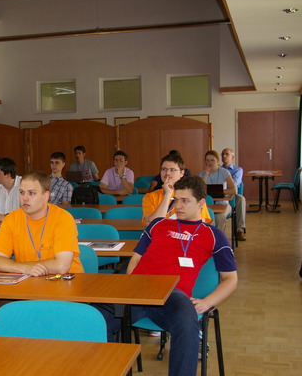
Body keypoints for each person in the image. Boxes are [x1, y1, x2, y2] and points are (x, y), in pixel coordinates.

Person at [97, 176, 238, 376]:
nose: (178, 205)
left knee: (189, 331)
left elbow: (231, 279)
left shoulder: (213, 234)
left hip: (173, 296)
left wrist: (207, 302)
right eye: (176, 199)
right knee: (94, 321)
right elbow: (135, 259)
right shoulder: (158, 225)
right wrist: (130, 286)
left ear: (201, 203)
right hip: (138, 291)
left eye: (185, 200)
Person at [0, 170, 84, 275]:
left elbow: (61, 266)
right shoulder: (11, 219)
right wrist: (25, 268)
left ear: (46, 196)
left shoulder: (62, 218)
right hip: (30, 282)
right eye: (22, 192)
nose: (25, 198)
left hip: (66, 282)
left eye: (32, 193)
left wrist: (28, 267)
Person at [142, 153, 212, 226]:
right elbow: (151, 225)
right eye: (163, 169)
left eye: (172, 170)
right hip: (160, 236)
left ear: (182, 173)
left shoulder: (193, 194)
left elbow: (201, 222)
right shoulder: (150, 197)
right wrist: (167, 195)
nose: (167, 173)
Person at [199, 150, 236, 232]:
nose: (210, 163)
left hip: (223, 204)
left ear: (217, 160)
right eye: (207, 161)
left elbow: (233, 190)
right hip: (207, 205)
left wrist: (220, 192)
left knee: (219, 218)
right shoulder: (202, 174)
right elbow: (200, 190)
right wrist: (206, 174)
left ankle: (218, 241)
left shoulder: (224, 172)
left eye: (212, 160)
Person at [221, 148, 247, 241]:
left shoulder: (238, 170)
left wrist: (224, 184)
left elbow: (234, 184)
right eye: (223, 154)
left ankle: (239, 230)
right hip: (220, 194)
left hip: (232, 195)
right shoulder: (218, 169)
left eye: (226, 154)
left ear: (232, 157)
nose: (224, 156)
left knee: (241, 199)